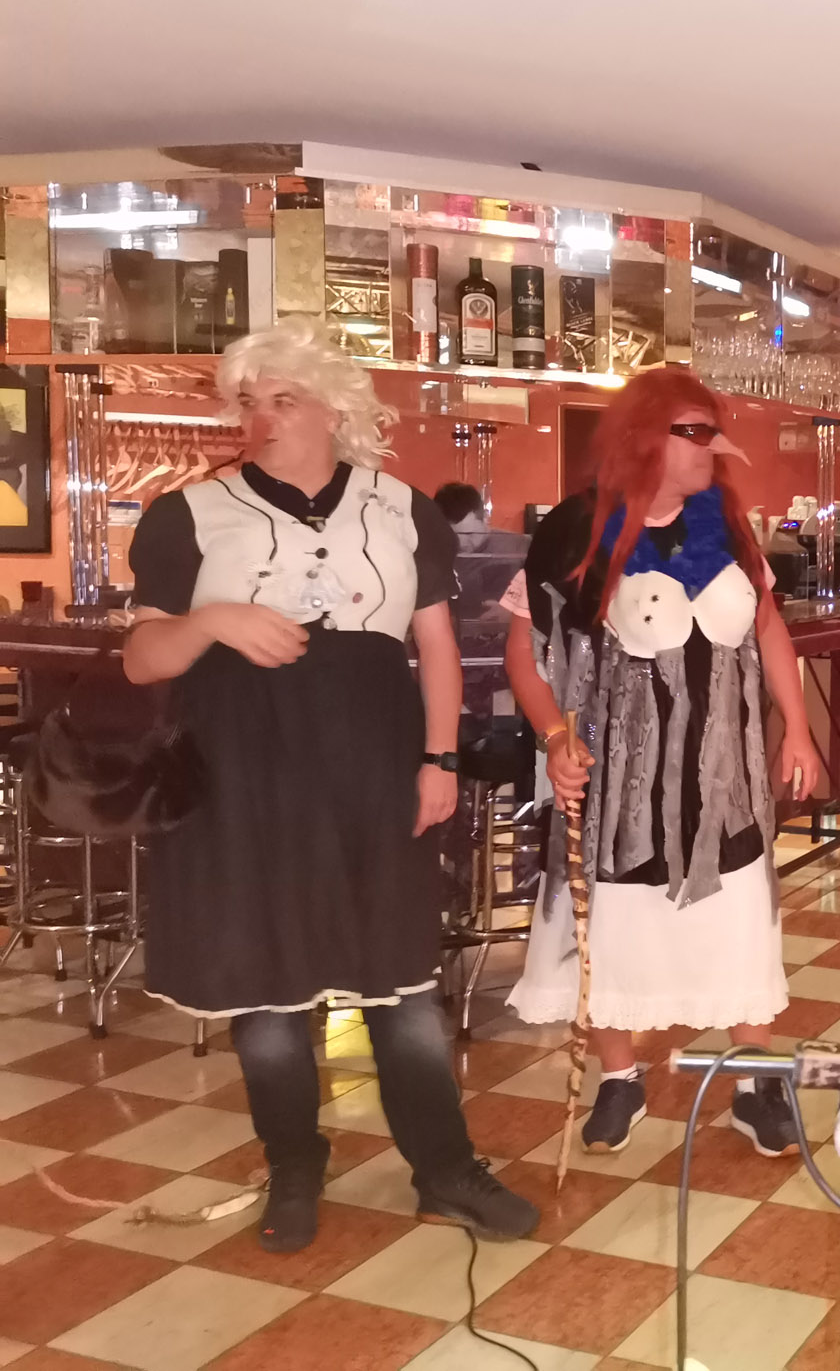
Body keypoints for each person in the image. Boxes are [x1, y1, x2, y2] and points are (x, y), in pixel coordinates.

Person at [124, 320, 538, 1251]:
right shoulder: (189, 514)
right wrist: (214, 621)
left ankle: (445, 1169)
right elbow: (143, 659)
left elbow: (435, 646)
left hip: (372, 764)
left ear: (333, 409)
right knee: (267, 987)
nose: (261, 418)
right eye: (248, 402)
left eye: (284, 399)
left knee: (401, 980)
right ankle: (293, 1165)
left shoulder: (402, 510)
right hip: (243, 774)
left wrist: (439, 761)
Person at [502, 370, 826, 1155]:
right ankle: (621, 1078)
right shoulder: (578, 531)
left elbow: (769, 628)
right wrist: (554, 737)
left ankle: (754, 1085)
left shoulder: (732, 528)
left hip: (725, 782)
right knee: (616, 934)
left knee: (739, 929)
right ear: (645, 437)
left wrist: (797, 730)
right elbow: (524, 651)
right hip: (620, 787)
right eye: (695, 431)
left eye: (714, 430)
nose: (714, 446)